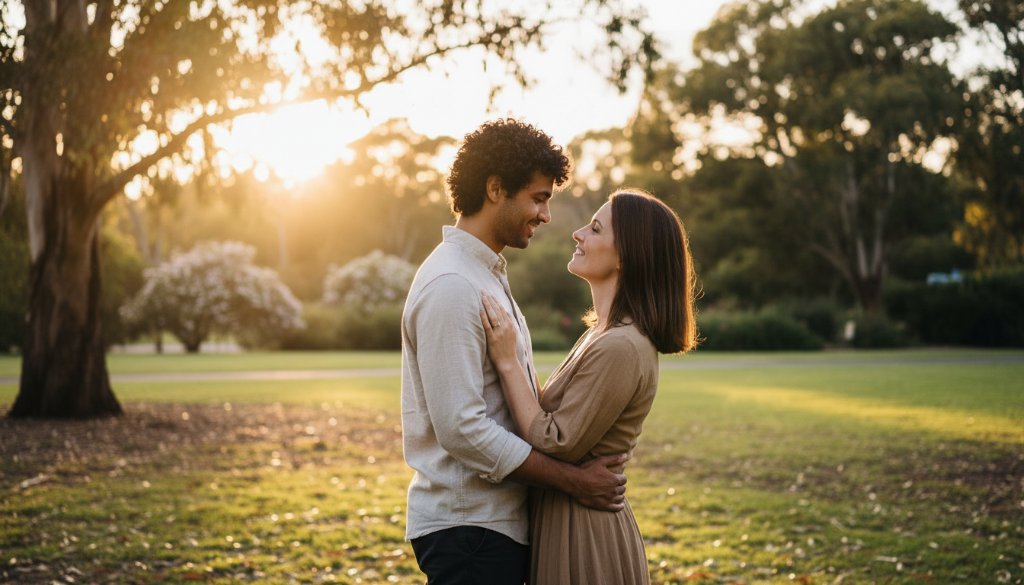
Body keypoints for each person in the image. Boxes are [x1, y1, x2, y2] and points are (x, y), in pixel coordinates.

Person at [401, 119, 630, 585]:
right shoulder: (452, 285)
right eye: (539, 197)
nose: (546, 215)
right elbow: (462, 429)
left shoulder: (483, 274)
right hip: (470, 531)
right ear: (494, 189)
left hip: (492, 528)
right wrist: (574, 481)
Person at [480, 188, 698, 585]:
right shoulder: (600, 334)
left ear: (627, 256)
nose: (577, 233)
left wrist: (508, 361)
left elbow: (555, 440)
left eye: (595, 228)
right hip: (565, 520)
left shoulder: (621, 346)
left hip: (585, 537)